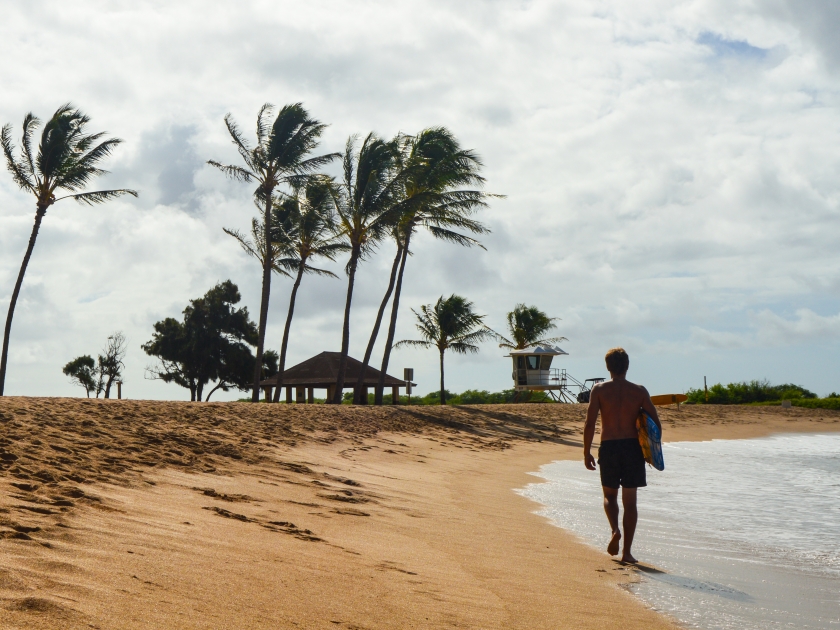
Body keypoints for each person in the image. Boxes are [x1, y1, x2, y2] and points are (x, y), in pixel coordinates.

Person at [583, 347, 661, 563]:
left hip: (608, 447)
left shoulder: (598, 390)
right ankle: (627, 553)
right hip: (632, 449)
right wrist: (651, 453)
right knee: (631, 502)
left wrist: (586, 451)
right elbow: (655, 425)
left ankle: (615, 530)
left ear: (607, 367)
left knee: (609, 496)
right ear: (627, 366)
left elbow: (590, 423)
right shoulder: (639, 391)